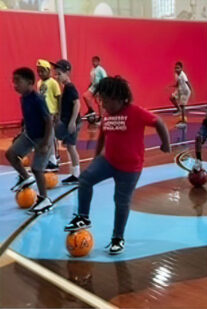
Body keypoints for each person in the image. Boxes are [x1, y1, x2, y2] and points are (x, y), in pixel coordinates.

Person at [62, 76, 172, 255]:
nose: (102, 103)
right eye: (101, 99)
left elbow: (158, 122)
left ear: (120, 99)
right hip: (108, 161)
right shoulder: (107, 116)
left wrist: (166, 143)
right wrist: (97, 156)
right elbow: (103, 136)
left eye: (105, 100)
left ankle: (117, 238)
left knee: (121, 202)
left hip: (130, 168)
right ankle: (83, 216)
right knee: (85, 180)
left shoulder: (135, 112)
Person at [7, 67, 54, 212]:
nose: (15, 85)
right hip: (29, 135)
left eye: (18, 81)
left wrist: (46, 143)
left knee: (37, 168)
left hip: (43, 136)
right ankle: (26, 177)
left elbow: (49, 120)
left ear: (30, 82)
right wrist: (22, 133)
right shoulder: (23, 98)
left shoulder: (38, 99)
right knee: (10, 154)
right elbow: (28, 118)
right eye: (13, 81)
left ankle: (44, 199)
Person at [52, 60, 83, 184]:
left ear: (68, 73)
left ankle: (53, 160)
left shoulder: (70, 87)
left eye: (59, 74)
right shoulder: (66, 88)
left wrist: (72, 122)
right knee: (71, 147)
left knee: (51, 135)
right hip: (68, 120)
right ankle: (76, 174)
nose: (57, 77)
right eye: (56, 74)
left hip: (71, 122)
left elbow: (77, 103)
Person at [37, 59, 61, 170]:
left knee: (50, 137)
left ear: (48, 71)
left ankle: (53, 160)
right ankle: (50, 158)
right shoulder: (39, 83)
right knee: (47, 137)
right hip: (42, 114)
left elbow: (58, 97)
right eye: (38, 71)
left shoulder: (53, 83)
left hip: (51, 113)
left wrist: (58, 113)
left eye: (43, 71)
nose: (40, 73)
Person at [85, 56, 107, 121]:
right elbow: (93, 79)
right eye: (93, 61)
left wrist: (101, 87)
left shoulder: (100, 69)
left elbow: (105, 78)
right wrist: (90, 85)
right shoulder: (93, 69)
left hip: (99, 87)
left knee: (99, 102)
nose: (94, 63)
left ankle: (101, 117)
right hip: (93, 87)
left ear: (99, 62)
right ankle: (91, 110)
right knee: (85, 96)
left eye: (95, 61)